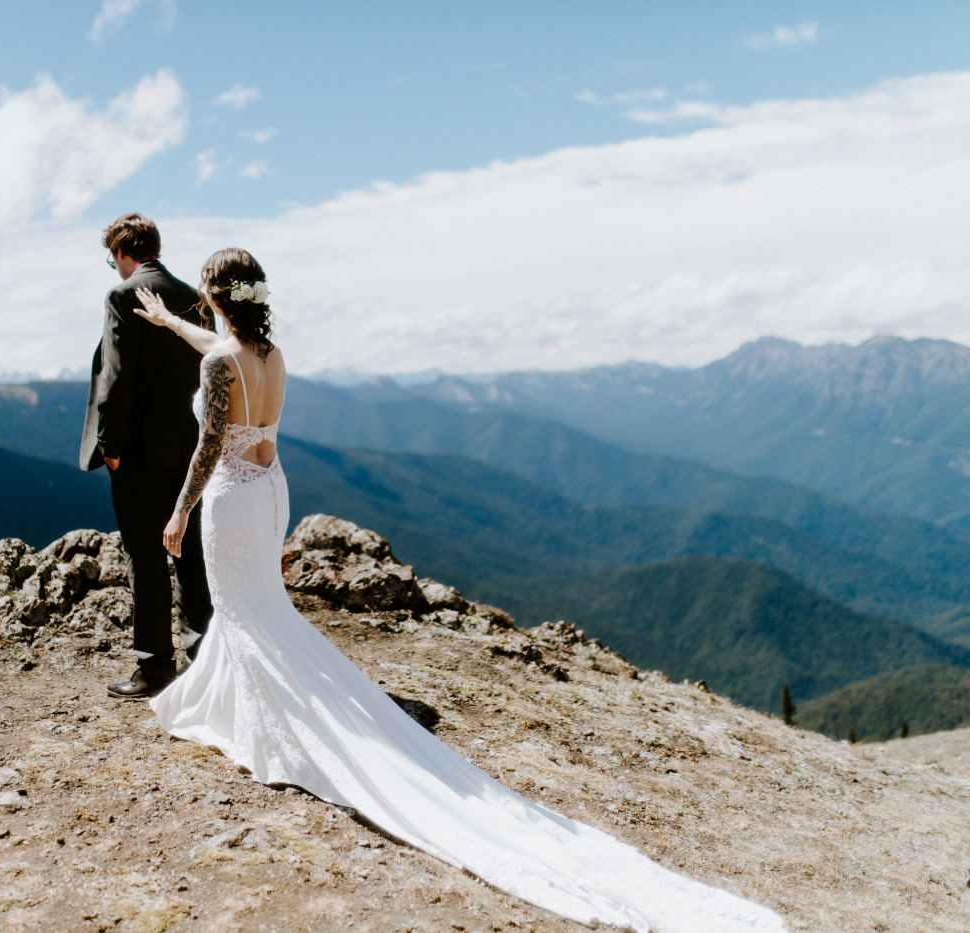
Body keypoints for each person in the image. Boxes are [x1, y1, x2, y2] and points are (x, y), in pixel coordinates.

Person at [131, 247, 790, 933]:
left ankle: (265, 725)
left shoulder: (220, 365)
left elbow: (210, 441)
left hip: (233, 496)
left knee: (244, 611)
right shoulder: (266, 355)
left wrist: (178, 511)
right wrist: (171, 325)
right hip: (272, 491)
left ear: (211, 293)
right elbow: (219, 350)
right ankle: (254, 707)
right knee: (265, 609)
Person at [78, 213, 213, 699]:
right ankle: (204, 662)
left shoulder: (122, 295)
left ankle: (155, 668)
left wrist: (111, 449)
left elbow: (117, 379)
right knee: (192, 554)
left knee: (146, 557)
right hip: (189, 445)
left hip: (136, 453)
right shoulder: (196, 300)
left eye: (110, 258)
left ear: (121, 252)